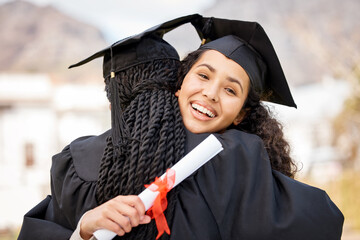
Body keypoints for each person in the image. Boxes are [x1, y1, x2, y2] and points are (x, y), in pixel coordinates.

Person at [18, 14, 344, 240]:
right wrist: (86, 228)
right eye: (203, 75)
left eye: (231, 90)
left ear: (242, 114)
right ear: (180, 82)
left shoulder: (239, 165)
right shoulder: (242, 164)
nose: (211, 93)